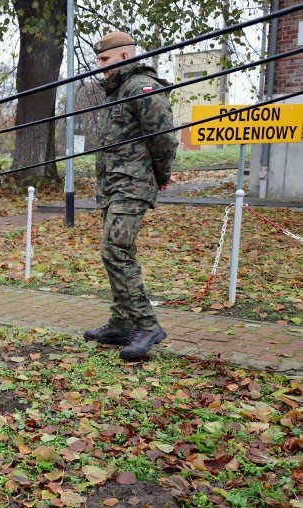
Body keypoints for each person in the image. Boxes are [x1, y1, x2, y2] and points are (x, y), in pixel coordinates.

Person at [83, 32, 178, 361]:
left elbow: (165, 138)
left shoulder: (141, 87)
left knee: (116, 250)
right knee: (115, 252)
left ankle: (146, 324)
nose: (100, 67)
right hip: (114, 187)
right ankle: (122, 323)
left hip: (132, 185)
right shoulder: (118, 91)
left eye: (104, 60)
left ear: (124, 56)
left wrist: (161, 176)